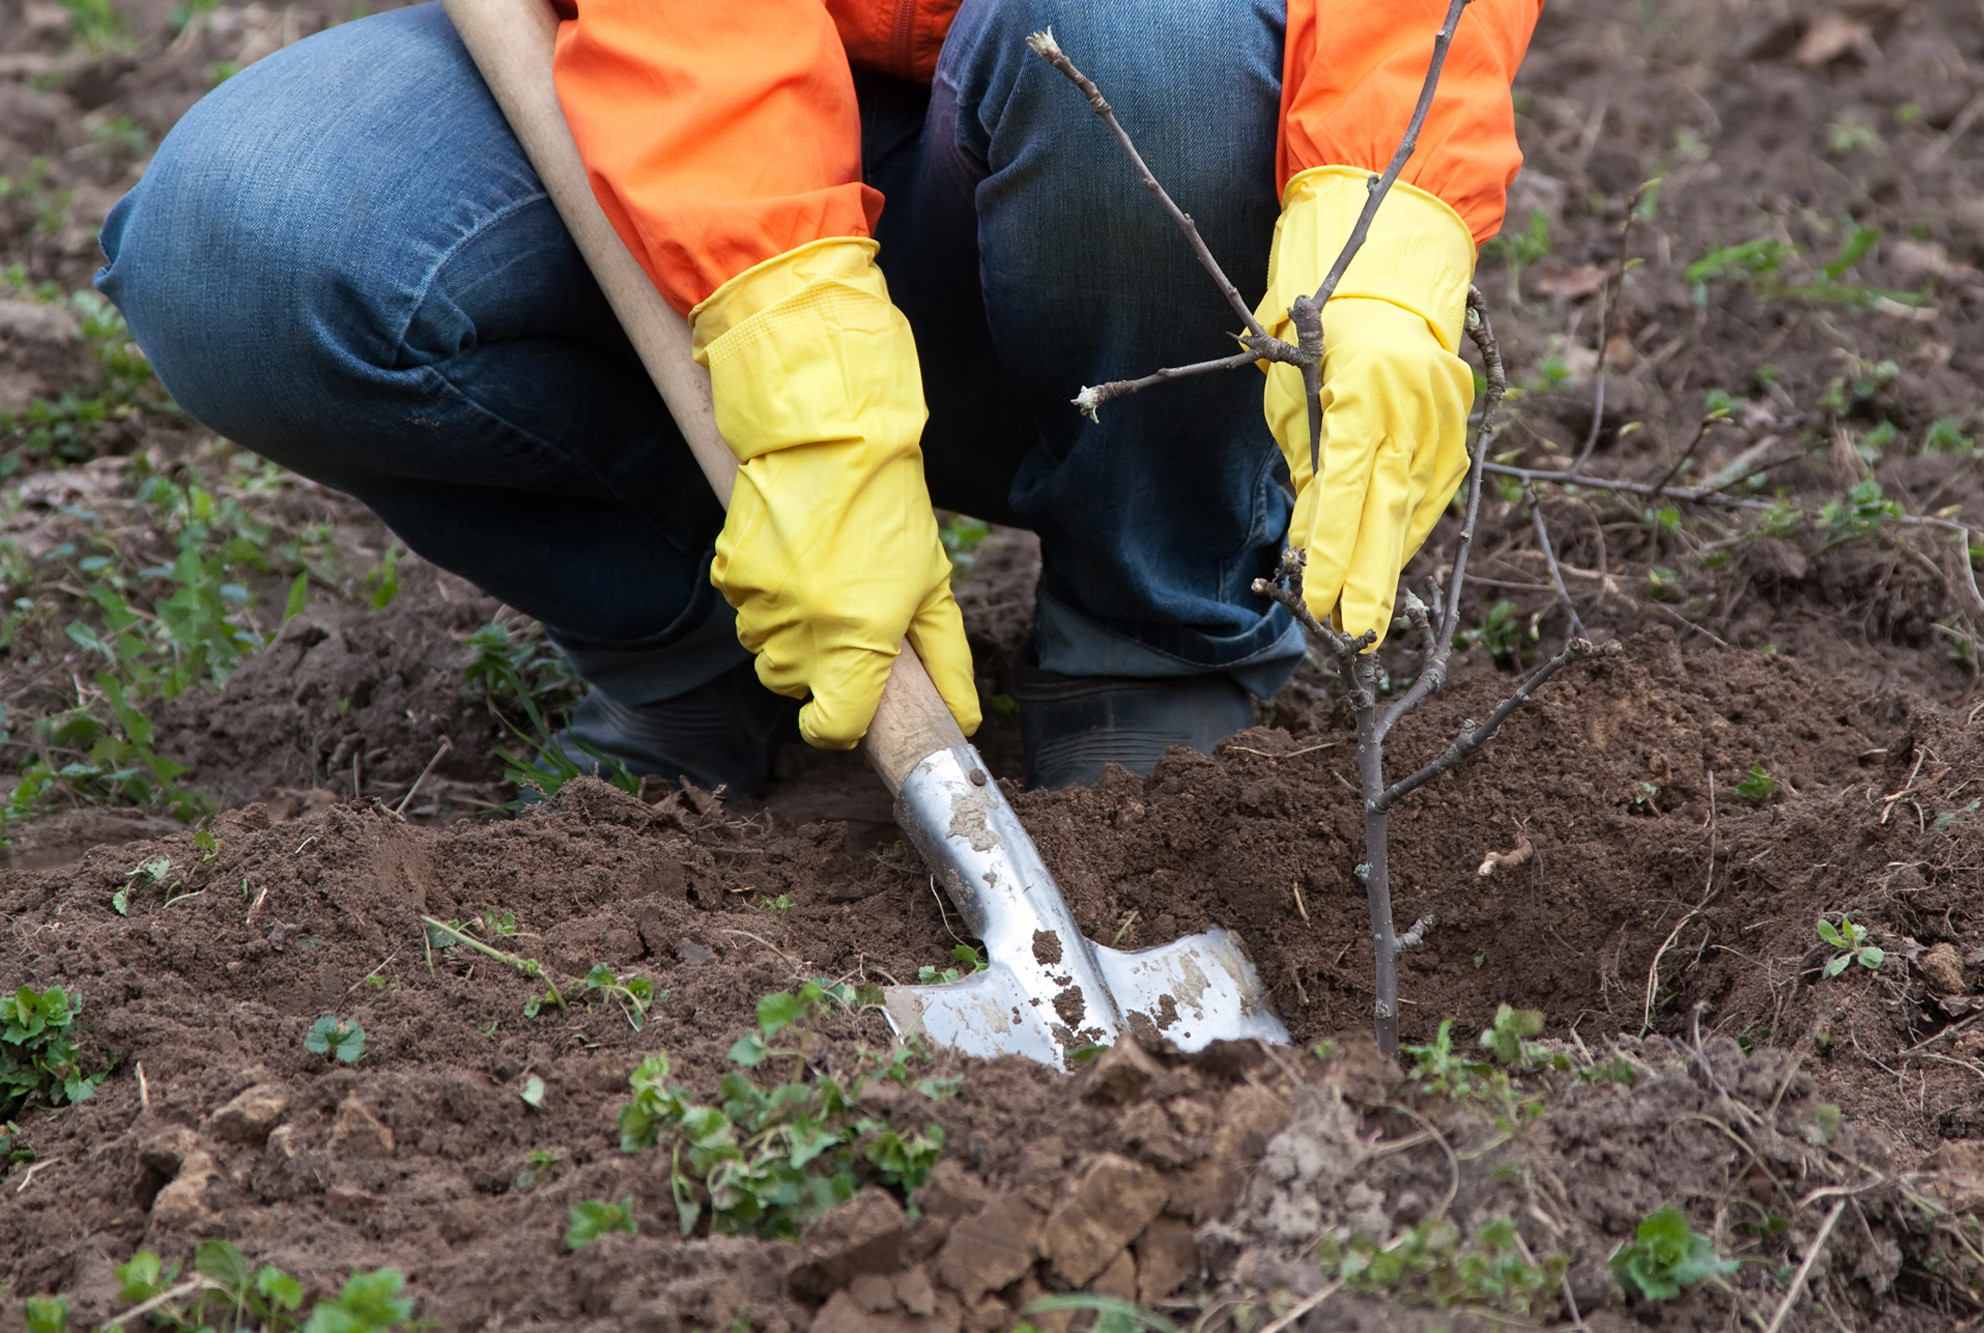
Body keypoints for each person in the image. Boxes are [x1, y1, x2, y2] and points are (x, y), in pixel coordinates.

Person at [96, 0, 1540, 796]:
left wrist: (1382, 199)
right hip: (673, 77)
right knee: (251, 234)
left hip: (1105, 141)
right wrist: (790, 357)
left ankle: (1158, 643)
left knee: (1148, 35)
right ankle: (710, 652)